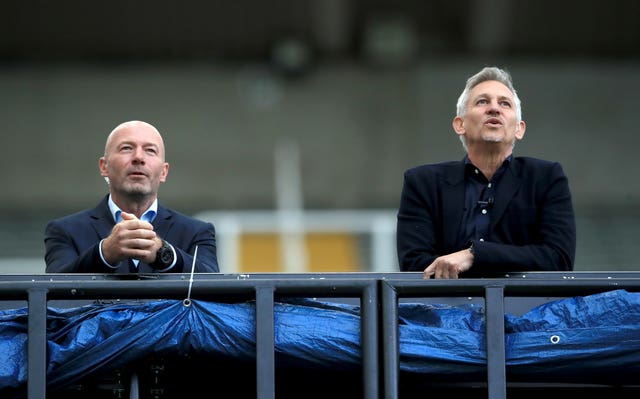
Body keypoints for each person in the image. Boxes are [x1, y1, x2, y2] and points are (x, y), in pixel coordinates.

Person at [396, 66, 575, 279]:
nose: (494, 109)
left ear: (519, 128)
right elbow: (414, 266)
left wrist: (474, 255)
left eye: (504, 103)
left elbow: (558, 259)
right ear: (459, 124)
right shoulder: (422, 183)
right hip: (446, 308)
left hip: (524, 309)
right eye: (482, 101)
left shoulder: (546, 178)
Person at [45, 120, 219, 273]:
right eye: (126, 148)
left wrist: (163, 253)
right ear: (104, 166)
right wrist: (104, 253)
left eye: (150, 150)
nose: (138, 157)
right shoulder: (65, 231)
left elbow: (216, 291)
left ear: (164, 172)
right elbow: (52, 295)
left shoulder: (197, 232)